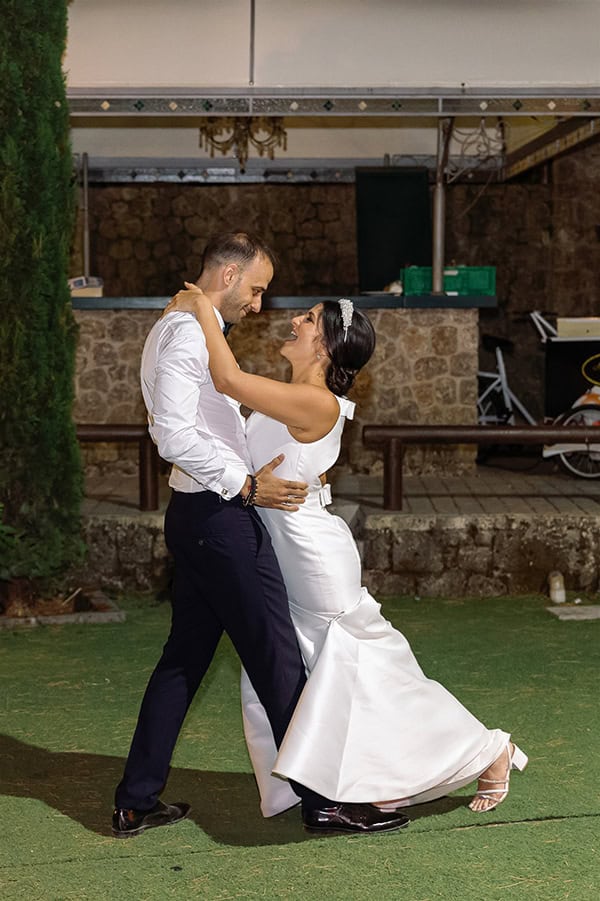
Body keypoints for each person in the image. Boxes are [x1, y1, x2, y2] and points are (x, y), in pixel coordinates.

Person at [164, 282, 529, 817]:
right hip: (281, 546)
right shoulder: (295, 398)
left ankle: (488, 750)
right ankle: (347, 780)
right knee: (316, 674)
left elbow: (227, 378)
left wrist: (201, 307)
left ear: (326, 347)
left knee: (363, 671)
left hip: (309, 554)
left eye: (309, 319)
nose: (294, 321)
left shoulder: (314, 401)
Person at [112, 233, 409, 838]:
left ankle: (137, 798)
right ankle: (321, 801)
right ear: (226, 274)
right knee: (278, 659)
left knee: (183, 662)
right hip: (218, 520)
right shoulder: (186, 331)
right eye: (256, 289)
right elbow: (173, 436)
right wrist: (245, 486)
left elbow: (237, 411)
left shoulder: (194, 328)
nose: (259, 304)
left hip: (202, 517)